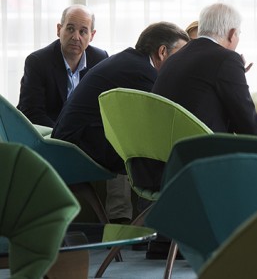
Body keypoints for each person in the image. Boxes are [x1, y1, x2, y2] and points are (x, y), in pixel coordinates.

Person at [52, 22, 189, 226]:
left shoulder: (131, 62)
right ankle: (156, 227)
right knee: (160, 153)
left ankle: (154, 227)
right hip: (78, 146)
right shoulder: (142, 72)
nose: (184, 63)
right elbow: (168, 111)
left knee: (155, 149)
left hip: (77, 140)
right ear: (162, 52)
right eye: (181, 55)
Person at [152, 3, 257, 136]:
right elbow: (248, 127)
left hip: (167, 150)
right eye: (238, 34)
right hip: (203, 151)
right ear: (231, 34)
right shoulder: (227, 59)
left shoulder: (174, 58)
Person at [18, 4, 108, 127]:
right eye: (70, 29)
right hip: (48, 136)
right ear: (59, 29)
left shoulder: (100, 59)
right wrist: (64, 136)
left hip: (84, 136)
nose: (76, 37)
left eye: (83, 32)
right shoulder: (37, 62)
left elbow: (103, 109)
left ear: (92, 36)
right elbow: (32, 113)